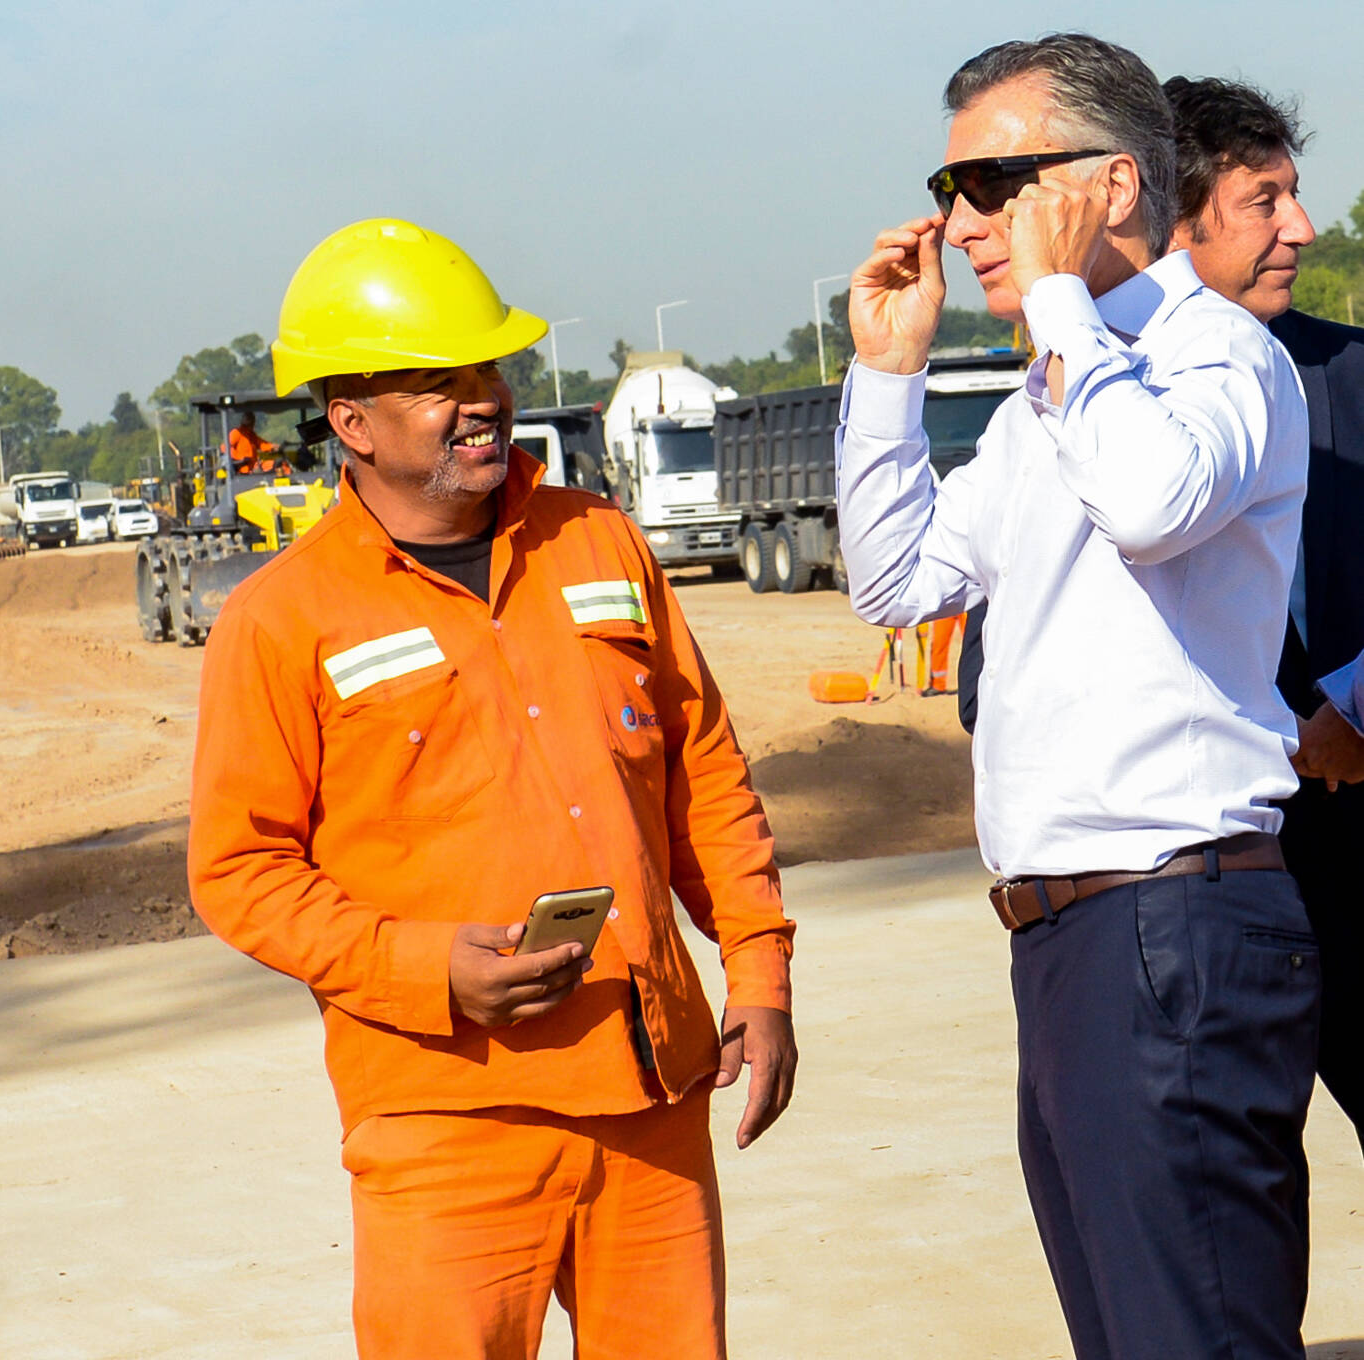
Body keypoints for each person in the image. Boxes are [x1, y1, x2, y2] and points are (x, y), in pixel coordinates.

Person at [188, 217, 796, 1359]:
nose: (482, 401)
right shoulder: (282, 619)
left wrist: (758, 969)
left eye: (489, 371)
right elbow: (238, 871)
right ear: (350, 420)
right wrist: (425, 969)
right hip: (443, 1111)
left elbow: (704, 771)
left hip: (648, 1083)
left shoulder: (603, 544)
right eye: (438, 383)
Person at [837, 35, 1315, 1359]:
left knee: (1191, 1334)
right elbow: (896, 579)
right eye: (947, 189)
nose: (959, 223)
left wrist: (1053, 314)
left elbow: (1153, 504)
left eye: (992, 182)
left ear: (1109, 183)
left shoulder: (1215, 356)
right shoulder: (1049, 389)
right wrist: (886, 373)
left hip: (1175, 917)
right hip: (1071, 942)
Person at [1165, 73, 1364, 1146]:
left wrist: (1357, 716)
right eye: (1266, 199)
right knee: (1234, 1194)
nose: (1305, 226)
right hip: (1201, 888)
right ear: (1175, 218)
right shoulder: (1095, 410)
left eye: (1296, 194)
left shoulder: (1357, 378)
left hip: (1359, 833)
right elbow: (995, 683)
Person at [227, 408, 280, 473]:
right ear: (244, 420)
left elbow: (261, 444)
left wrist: (272, 446)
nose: (252, 422)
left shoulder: (251, 435)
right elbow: (225, 448)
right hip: (244, 470)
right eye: (249, 419)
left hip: (254, 466)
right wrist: (241, 458)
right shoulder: (237, 433)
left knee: (276, 463)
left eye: (252, 419)